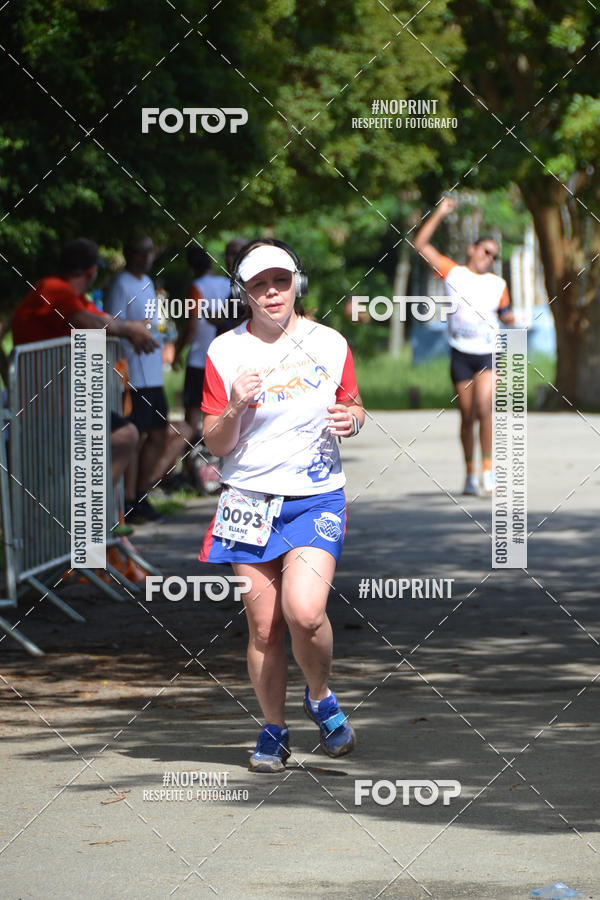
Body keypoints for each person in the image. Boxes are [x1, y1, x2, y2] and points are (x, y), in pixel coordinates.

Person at [198, 239, 365, 773]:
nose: (271, 293)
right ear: (243, 292)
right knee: (265, 627)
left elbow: (353, 404)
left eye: (281, 281)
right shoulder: (225, 352)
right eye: (258, 285)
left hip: (315, 496)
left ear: (298, 283)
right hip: (247, 499)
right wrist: (237, 404)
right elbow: (216, 442)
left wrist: (352, 420)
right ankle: (273, 728)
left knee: (306, 612)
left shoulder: (331, 342)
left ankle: (320, 696)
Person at [11, 237, 156, 581]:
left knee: (122, 435)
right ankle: (91, 522)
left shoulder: (62, 291)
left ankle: (92, 526)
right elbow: (87, 321)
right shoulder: (54, 288)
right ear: (91, 271)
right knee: (124, 434)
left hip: (63, 406)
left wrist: (123, 328)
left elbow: (93, 316)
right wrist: (128, 328)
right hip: (50, 409)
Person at [414, 198, 515, 495]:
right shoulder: (453, 272)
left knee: (485, 407)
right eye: (486, 251)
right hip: (460, 351)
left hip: (488, 352)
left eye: (494, 255)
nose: (489, 257)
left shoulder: (498, 283)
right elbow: (421, 244)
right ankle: (470, 473)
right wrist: (440, 212)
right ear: (472, 249)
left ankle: (488, 470)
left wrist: (511, 317)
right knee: (467, 414)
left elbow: (504, 312)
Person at [104, 235, 191, 522]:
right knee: (137, 437)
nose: (146, 257)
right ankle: (128, 501)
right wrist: (134, 328)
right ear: (128, 253)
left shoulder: (148, 283)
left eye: (149, 251)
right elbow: (112, 323)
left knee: (157, 434)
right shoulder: (120, 283)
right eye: (140, 251)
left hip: (153, 371)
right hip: (134, 373)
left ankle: (142, 494)